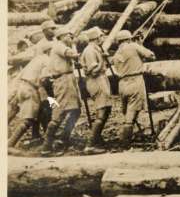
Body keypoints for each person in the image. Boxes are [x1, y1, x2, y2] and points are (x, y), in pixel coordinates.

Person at [40, 28, 82, 156]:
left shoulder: (63, 46)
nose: (70, 38)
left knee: (76, 110)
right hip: (63, 80)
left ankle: (63, 139)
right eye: (68, 36)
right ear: (62, 36)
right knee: (60, 112)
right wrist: (77, 50)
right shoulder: (59, 46)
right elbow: (72, 54)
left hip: (69, 79)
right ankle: (47, 146)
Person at [112, 30, 156, 150]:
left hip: (122, 84)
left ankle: (128, 137)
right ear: (128, 39)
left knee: (127, 112)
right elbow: (151, 56)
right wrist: (140, 45)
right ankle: (125, 144)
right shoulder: (133, 46)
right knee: (131, 115)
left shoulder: (116, 53)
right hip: (135, 81)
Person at [79, 27, 113, 154]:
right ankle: (90, 145)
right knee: (102, 111)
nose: (102, 38)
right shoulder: (89, 51)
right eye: (101, 36)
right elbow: (93, 72)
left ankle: (97, 139)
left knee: (107, 109)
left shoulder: (95, 49)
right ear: (96, 38)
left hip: (101, 79)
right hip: (96, 81)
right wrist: (102, 60)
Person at [8, 47, 50, 148]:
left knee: (36, 113)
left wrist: (14, 94)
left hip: (22, 86)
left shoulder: (36, 59)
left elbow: (20, 75)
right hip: (31, 89)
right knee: (28, 120)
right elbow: (44, 78)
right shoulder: (47, 60)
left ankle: (36, 136)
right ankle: (9, 144)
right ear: (49, 51)